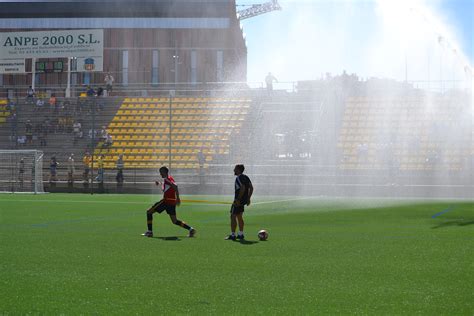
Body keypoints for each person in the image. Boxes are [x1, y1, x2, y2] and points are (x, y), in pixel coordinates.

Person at [142, 166, 196, 238]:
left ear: (164, 172)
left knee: (149, 212)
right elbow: (168, 186)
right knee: (174, 221)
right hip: (171, 203)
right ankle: (191, 229)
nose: (160, 174)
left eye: (161, 172)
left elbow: (175, 186)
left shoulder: (167, 179)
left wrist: (178, 198)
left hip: (166, 201)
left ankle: (149, 232)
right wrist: (160, 183)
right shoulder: (168, 179)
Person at [225, 164, 253, 240]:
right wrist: (248, 198)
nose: (234, 170)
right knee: (239, 216)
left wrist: (237, 199)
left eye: (235, 169)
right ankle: (241, 234)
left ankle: (233, 235)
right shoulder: (246, 177)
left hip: (238, 201)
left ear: (238, 170)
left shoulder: (238, 178)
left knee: (233, 216)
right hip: (243, 201)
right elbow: (251, 188)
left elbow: (243, 188)